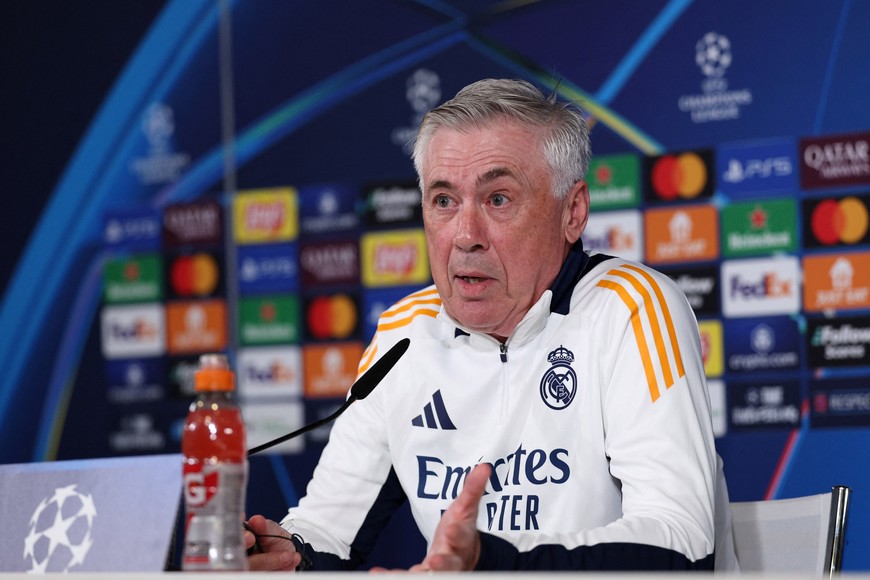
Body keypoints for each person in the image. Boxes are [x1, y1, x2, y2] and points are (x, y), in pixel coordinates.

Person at [244, 78, 738, 572]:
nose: (466, 235)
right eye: (444, 201)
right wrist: (292, 555)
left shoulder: (630, 309)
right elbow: (329, 527)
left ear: (573, 212)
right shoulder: (405, 335)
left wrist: (492, 563)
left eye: (498, 199)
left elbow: (681, 542)